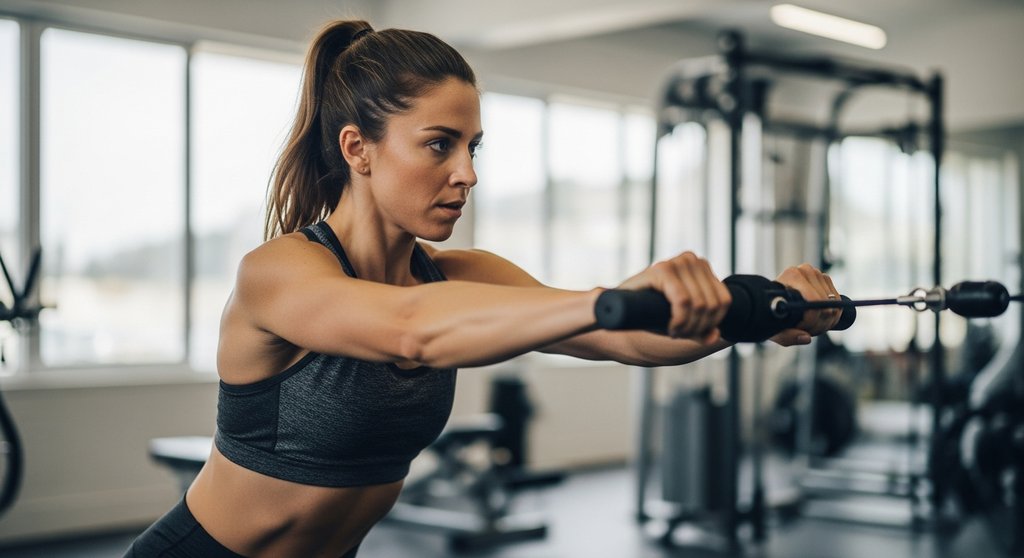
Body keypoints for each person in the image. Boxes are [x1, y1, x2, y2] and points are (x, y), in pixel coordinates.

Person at [126, 19, 842, 558]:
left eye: (473, 148)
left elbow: (622, 337)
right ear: (357, 149)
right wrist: (608, 298)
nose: (467, 173)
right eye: (440, 144)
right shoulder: (280, 271)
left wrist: (755, 309)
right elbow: (412, 328)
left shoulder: (462, 274)